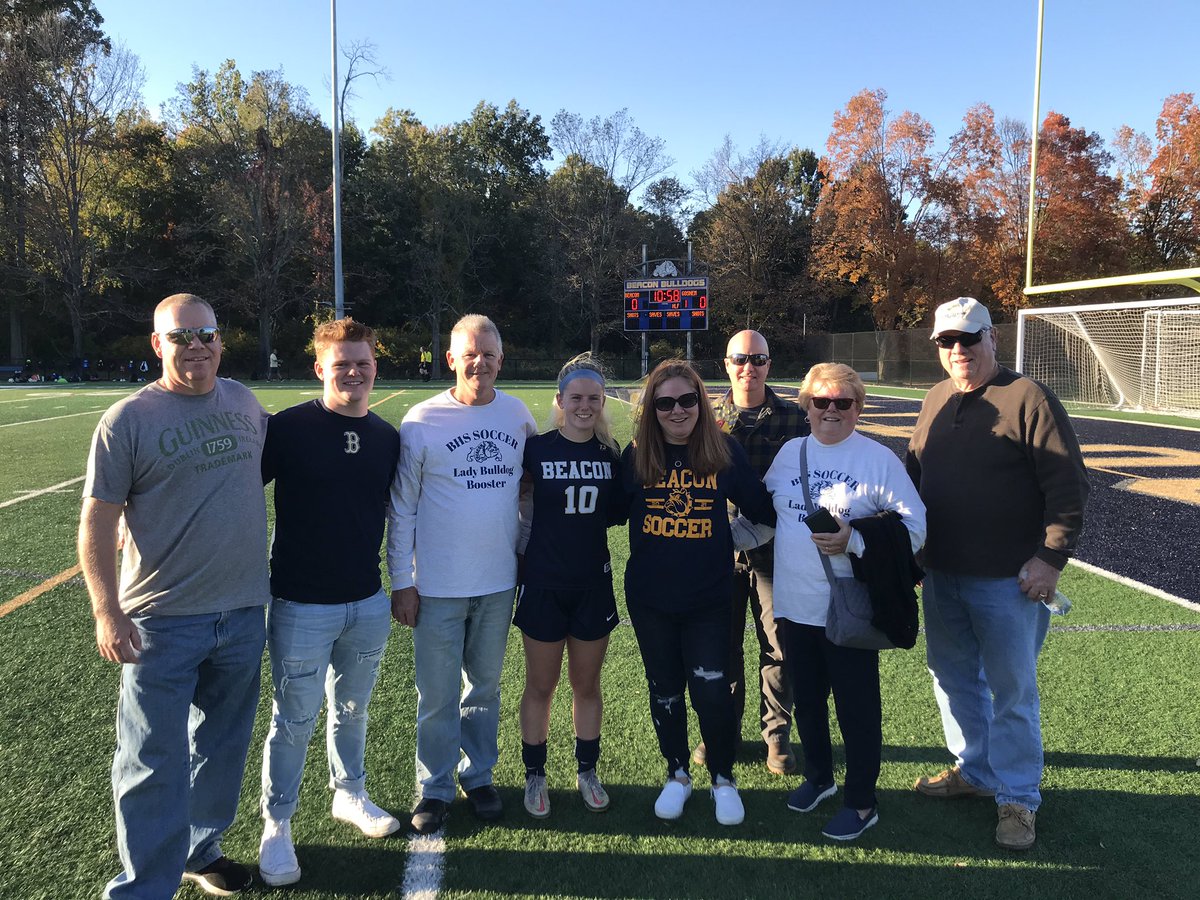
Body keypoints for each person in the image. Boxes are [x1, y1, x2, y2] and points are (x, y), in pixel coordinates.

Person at [78, 293, 269, 898]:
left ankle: (198, 848)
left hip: (241, 613)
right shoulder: (128, 420)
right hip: (161, 621)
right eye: (182, 337)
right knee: (150, 762)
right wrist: (106, 610)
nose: (197, 346)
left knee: (220, 748)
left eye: (207, 334)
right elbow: (97, 522)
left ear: (221, 340)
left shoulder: (243, 399)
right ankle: (141, 887)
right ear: (158, 345)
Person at [907, 297, 1089, 851]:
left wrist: (1050, 558)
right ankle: (976, 772)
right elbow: (915, 478)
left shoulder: (1028, 396)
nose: (958, 350)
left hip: (1008, 580)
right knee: (952, 680)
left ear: (992, 338)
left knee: (1012, 693)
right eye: (947, 341)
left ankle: (1018, 799)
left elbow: (1068, 485)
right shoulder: (936, 398)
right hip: (941, 575)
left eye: (969, 338)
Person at [257, 318, 402, 887]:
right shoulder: (288, 429)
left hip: (366, 601)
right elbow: (233, 490)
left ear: (375, 366)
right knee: (292, 720)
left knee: (353, 710)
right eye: (342, 363)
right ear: (320, 369)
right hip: (300, 603)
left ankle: (350, 793)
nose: (354, 372)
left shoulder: (388, 437)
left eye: (362, 362)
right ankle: (277, 825)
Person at [759, 363, 926, 841]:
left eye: (843, 402)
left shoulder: (878, 459)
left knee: (856, 709)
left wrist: (855, 539)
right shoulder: (791, 453)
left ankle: (861, 801)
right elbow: (770, 515)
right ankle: (820, 777)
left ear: (859, 407)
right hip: (794, 603)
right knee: (807, 701)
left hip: (849, 608)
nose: (831, 411)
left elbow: (917, 528)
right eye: (822, 402)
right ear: (806, 406)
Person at [387, 314, 537, 834]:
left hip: (497, 583)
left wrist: (521, 551)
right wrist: (401, 580)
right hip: (436, 586)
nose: (481, 362)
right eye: (470, 354)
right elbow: (402, 506)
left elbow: (529, 495)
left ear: (501, 358)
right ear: (451, 359)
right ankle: (434, 786)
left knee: (485, 688)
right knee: (437, 693)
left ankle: (480, 776)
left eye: (489, 353)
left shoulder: (518, 416)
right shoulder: (422, 419)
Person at [619, 360, 775, 826]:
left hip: (708, 598)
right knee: (664, 689)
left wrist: (731, 538)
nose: (677, 410)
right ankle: (677, 773)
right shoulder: (637, 454)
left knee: (711, 690)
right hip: (649, 598)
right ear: (652, 409)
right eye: (665, 402)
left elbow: (765, 512)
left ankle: (723, 778)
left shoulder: (722, 449)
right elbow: (604, 511)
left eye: (687, 400)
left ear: (701, 402)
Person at [516, 353, 623, 819]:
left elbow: (618, 514)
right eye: (576, 397)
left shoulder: (611, 454)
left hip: (591, 584)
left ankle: (586, 770)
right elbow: (519, 506)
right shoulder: (535, 449)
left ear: (602, 403)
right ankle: (535, 774)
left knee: (587, 684)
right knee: (540, 685)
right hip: (543, 582)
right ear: (560, 400)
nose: (584, 406)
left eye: (593, 399)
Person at [700, 329, 808, 776]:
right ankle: (720, 732)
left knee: (779, 646)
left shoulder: (795, 418)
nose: (749, 367)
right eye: (740, 358)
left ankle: (776, 735)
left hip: (777, 551)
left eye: (758, 359)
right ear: (726, 363)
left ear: (769, 364)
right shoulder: (703, 416)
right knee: (719, 647)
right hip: (716, 551)